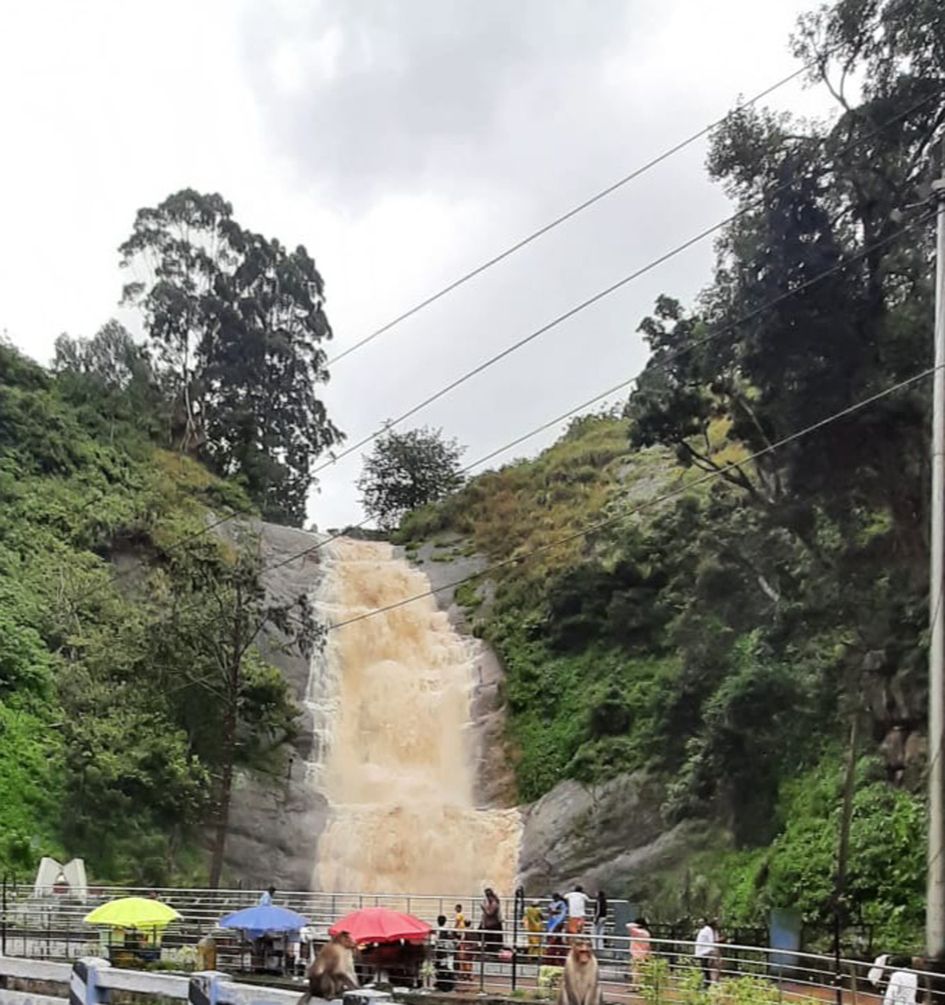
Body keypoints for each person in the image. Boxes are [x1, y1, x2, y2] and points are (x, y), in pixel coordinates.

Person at [626, 916, 651, 990]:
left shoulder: (636, 932)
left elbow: (628, 925)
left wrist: (636, 925)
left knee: (635, 971)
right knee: (641, 971)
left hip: (636, 954)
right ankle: (639, 986)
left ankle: (635, 986)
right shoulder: (646, 933)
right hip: (644, 953)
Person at [479, 887, 503, 958]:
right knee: (485, 937)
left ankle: (492, 954)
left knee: (492, 940)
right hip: (488, 924)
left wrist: (483, 908)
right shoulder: (491, 902)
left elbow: (490, 913)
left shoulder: (494, 903)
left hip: (493, 925)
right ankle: (489, 952)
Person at [695, 918, 717, 987]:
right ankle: (703, 982)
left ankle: (707, 983)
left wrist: (710, 951)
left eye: (701, 922)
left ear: (705, 922)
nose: (700, 923)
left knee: (705, 968)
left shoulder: (708, 930)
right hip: (700, 953)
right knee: (702, 968)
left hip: (705, 952)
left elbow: (711, 941)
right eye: (699, 922)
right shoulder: (701, 930)